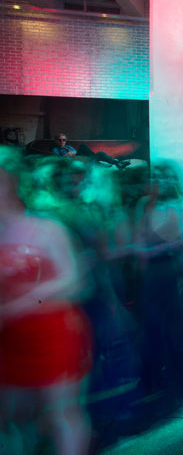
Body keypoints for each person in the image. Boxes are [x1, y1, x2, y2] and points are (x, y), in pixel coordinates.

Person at [0, 154, 93, 455]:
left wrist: (27, 300)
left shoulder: (46, 228)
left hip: (51, 331)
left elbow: (75, 281)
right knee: (11, 417)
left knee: (60, 413)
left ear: (12, 183)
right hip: (8, 337)